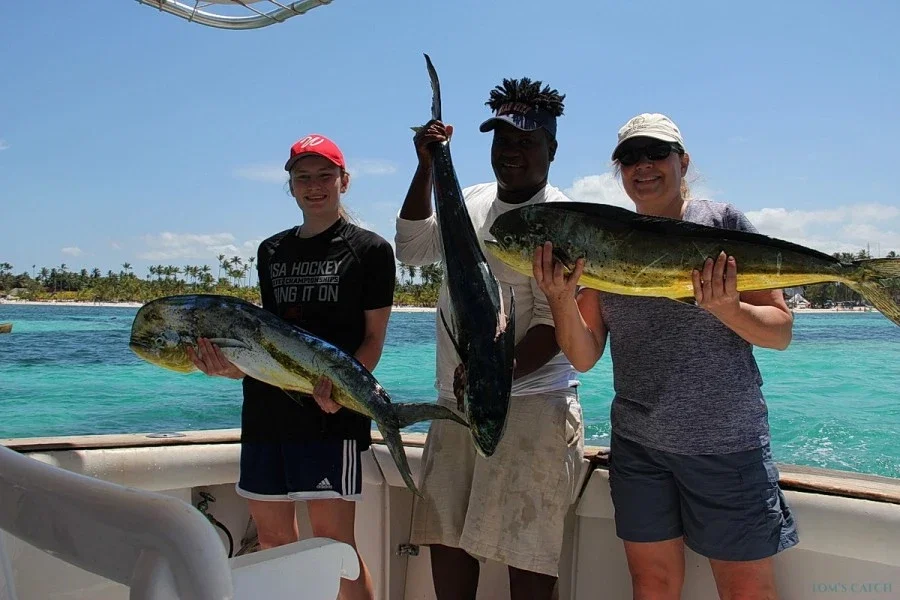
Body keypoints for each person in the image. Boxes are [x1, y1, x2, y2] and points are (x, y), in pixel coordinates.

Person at [532, 113, 798, 600]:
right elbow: (584, 355)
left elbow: (779, 331)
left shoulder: (722, 223)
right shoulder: (602, 239)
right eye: (630, 157)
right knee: (652, 585)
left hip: (726, 443)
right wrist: (559, 299)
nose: (643, 165)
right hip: (640, 449)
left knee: (746, 591)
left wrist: (728, 308)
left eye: (657, 153)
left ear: (683, 162)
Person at [395, 77, 584, 600]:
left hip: (533, 403)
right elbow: (411, 249)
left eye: (526, 141)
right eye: (503, 139)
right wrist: (427, 165)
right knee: (447, 540)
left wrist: (493, 375)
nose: (511, 151)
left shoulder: (561, 220)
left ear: (552, 149)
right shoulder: (473, 198)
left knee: (526, 550)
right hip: (456, 400)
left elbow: (552, 324)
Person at [188, 133, 396, 600]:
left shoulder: (370, 250)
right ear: (291, 186)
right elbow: (267, 342)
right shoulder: (271, 251)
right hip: (265, 414)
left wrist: (341, 393)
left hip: (330, 417)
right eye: (303, 177)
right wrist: (229, 368)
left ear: (344, 180)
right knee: (273, 544)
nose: (314, 186)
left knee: (335, 549)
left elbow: (373, 340)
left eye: (325, 175)